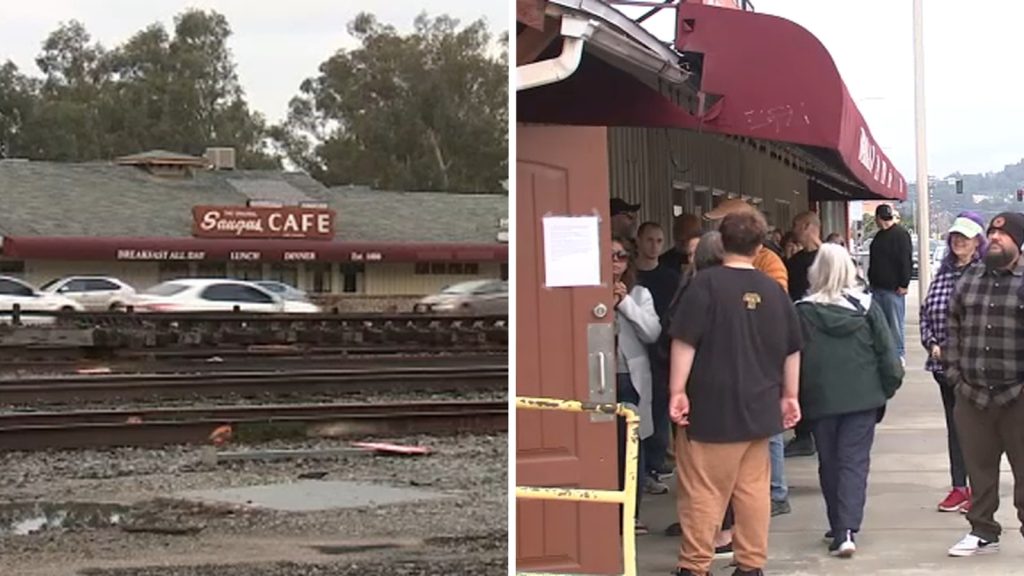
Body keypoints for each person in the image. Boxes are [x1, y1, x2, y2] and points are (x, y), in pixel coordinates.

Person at [668, 210, 802, 576]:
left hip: (710, 409)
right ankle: (751, 564)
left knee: (703, 491)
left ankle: (694, 565)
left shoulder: (704, 285)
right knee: (753, 492)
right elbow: (792, 348)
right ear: (760, 246)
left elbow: (685, 341)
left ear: (721, 242)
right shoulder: (773, 290)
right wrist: (790, 395)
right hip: (759, 409)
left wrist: (677, 390)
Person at [796, 244, 904, 558]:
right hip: (862, 399)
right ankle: (847, 528)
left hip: (820, 399)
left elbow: (792, 359)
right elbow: (888, 355)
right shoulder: (867, 308)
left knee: (829, 462)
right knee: (854, 463)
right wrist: (884, 389)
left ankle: (838, 525)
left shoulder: (802, 311)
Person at [704, 198, 792, 517]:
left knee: (769, 432)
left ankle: (776, 492)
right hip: (736, 360)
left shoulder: (769, 263)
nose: (716, 229)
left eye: (721, 223)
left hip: (761, 356)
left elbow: (778, 310)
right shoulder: (715, 270)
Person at [944, 212, 1024, 557]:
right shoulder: (969, 278)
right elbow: (952, 328)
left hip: (1017, 396)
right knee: (979, 470)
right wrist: (955, 375)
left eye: (1003, 234)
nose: (994, 237)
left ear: (1018, 243)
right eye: (992, 232)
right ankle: (982, 530)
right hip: (972, 396)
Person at [920, 212, 987, 515]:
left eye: (966, 237)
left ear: (977, 242)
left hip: (972, 368)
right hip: (942, 367)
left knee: (975, 430)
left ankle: (980, 489)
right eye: (955, 236)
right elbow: (926, 313)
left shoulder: (984, 274)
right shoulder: (944, 273)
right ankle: (959, 487)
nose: (959, 241)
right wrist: (932, 343)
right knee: (955, 427)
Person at [610, 236, 662, 535]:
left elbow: (653, 332)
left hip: (629, 378)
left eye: (622, 256)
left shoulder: (640, 294)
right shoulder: (584, 293)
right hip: (598, 376)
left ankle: (632, 513)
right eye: (610, 256)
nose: (616, 262)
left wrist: (625, 303)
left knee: (632, 447)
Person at [635, 221, 682, 491]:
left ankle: (655, 464)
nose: (654, 246)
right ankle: (643, 469)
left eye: (659, 241)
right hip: (635, 351)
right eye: (649, 240)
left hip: (664, 351)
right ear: (639, 241)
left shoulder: (671, 278)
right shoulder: (631, 277)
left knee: (660, 411)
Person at [784, 211, 823, 459]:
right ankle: (804, 433)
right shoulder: (795, 262)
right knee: (801, 381)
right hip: (799, 327)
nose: (793, 229)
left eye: (796, 225)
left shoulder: (828, 258)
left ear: (808, 226)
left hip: (821, 328)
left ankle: (811, 432)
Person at [867, 204, 913, 362]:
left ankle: (898, 355)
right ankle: (885, 354)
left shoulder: (900, 235)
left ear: (877, 218)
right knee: (881, 324)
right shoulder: (880, 236)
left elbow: (906, 260)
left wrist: (904, 283)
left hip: (893, 289)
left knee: (895, 324)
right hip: (878, 287)